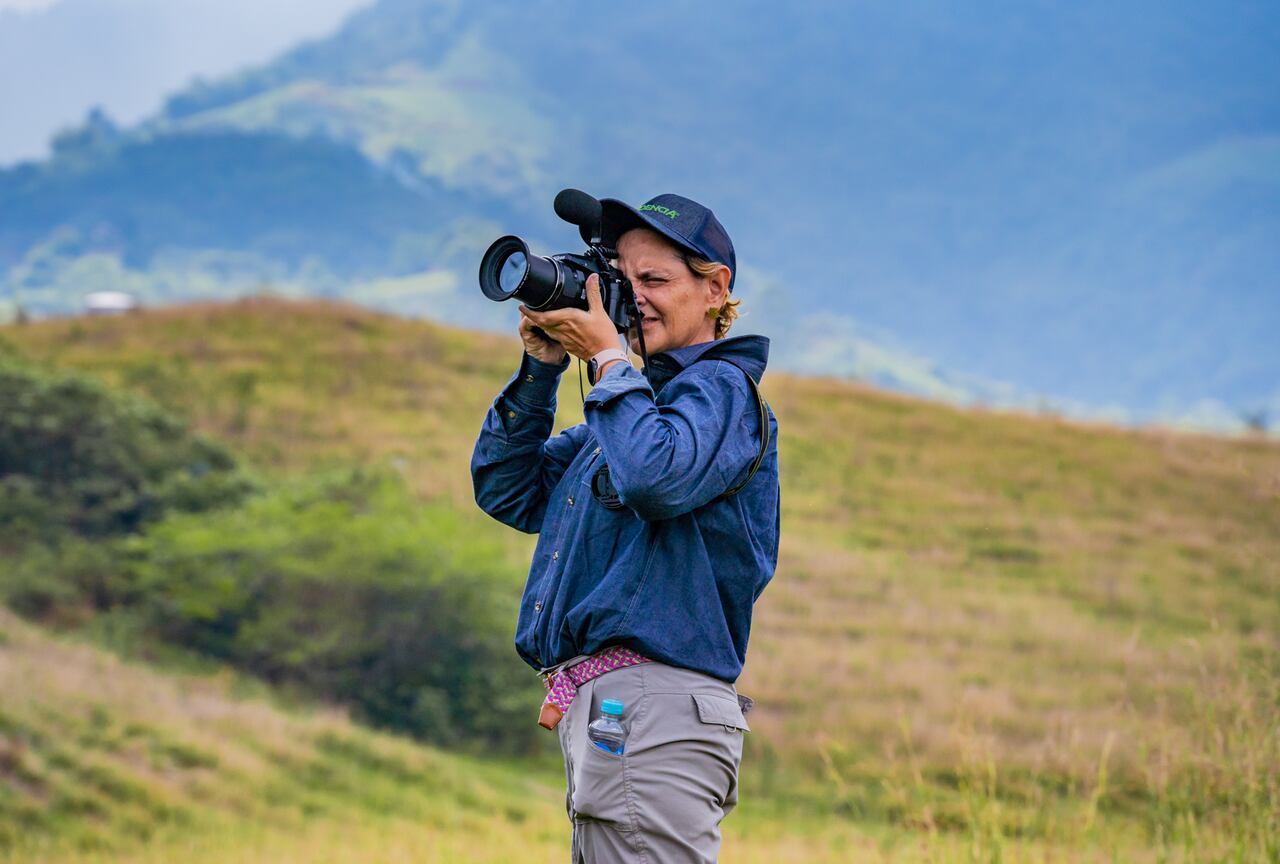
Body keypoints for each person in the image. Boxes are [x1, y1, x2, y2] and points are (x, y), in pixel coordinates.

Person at [471, 193, 780, 863]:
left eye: (655, 280)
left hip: (654, 709)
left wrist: (611, 362)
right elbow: (507, 490)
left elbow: (654, 477)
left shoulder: (720, 393)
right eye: (621, 279)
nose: (633, 298)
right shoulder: (633, 415)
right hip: (619, 716)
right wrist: (542, 368)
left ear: (714, 289)